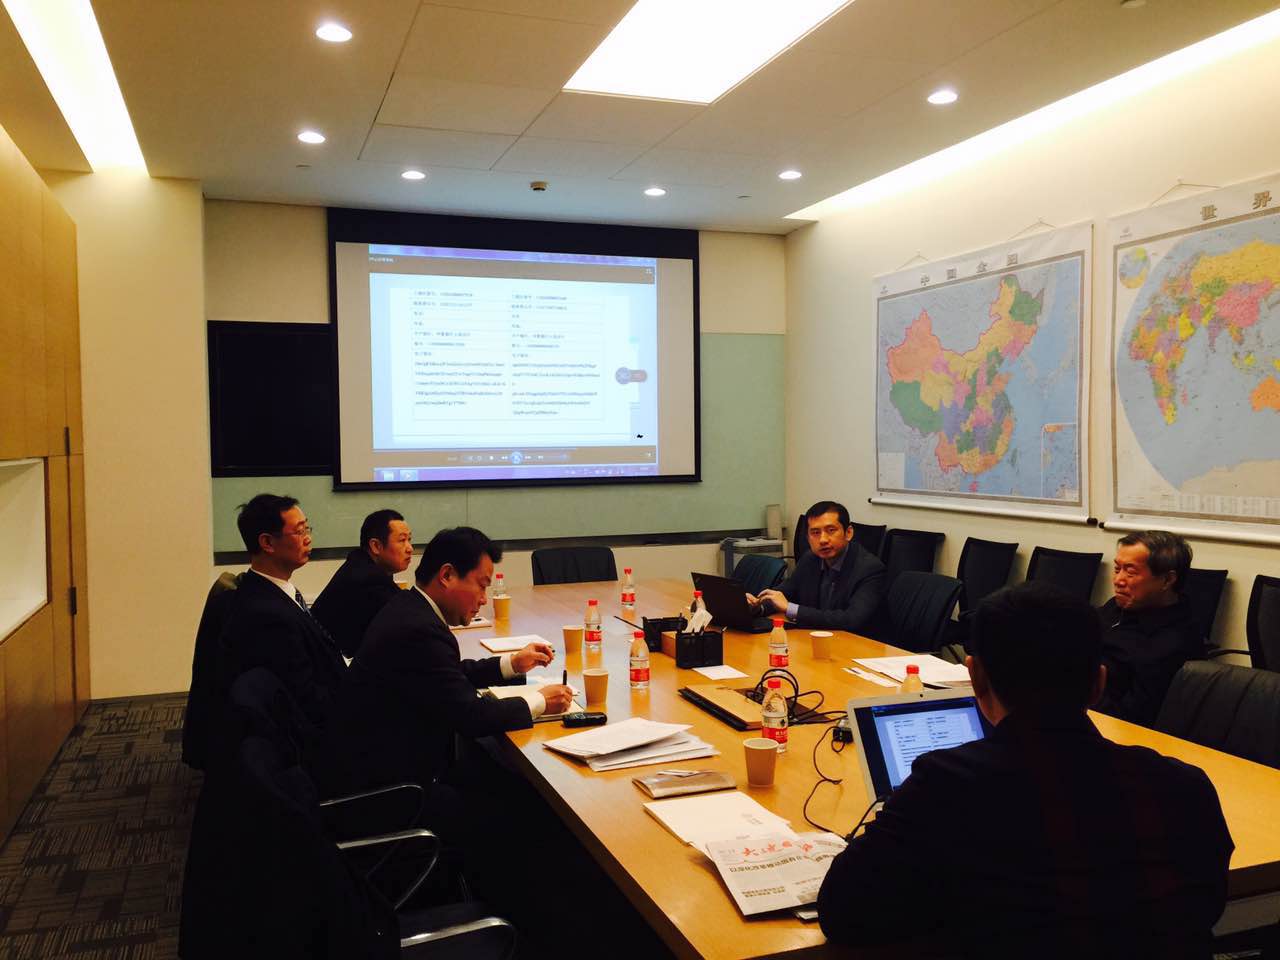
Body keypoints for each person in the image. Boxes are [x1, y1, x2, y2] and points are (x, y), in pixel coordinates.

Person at [816, 581, 1232, 957]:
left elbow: (845, 915)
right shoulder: (1183, 785)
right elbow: (1207, 906)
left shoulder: (948, 785)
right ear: (1098, 683)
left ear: (975, 678)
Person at [331, 526, 574, 792]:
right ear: (447, 575)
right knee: (527, 792)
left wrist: (511, 664)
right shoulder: (419, 629)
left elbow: (445, 677)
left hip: (389, 763)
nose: (484, 599)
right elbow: (471, 716)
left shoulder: (410, 607)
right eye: (481, 586)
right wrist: (540, 701)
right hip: (396, 787)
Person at [217, 494, 347, 733]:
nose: (308, 538)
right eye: (299, 531)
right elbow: (306, 699)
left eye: (307, 528)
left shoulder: (269, 591)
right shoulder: (267, 615)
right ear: (267, 542)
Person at [1094, 530, 1202, 727]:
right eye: (1117, 569)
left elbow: (1132, 718)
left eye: (1130, 572)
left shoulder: (1174, 642)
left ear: (1167, 580)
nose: (1118, 580)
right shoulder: (1118, 607)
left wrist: (1082, 695)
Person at [748, 500, 884, 634]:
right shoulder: (810, 559)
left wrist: (791, 608)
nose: (823, 540)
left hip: (857, 643)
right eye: (815, 532)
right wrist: (757, 606)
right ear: (808, 538)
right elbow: (784, 594)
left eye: (831, 530)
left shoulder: (869, 569)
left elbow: (851, 620)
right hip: (815, 637)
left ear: (848, 533)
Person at [311, 509, 414, 658]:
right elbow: (410, 614)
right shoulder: (367, 577)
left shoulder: (364, 565)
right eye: (402, 540)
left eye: (409, 540)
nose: (410, 548)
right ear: (376, 546)